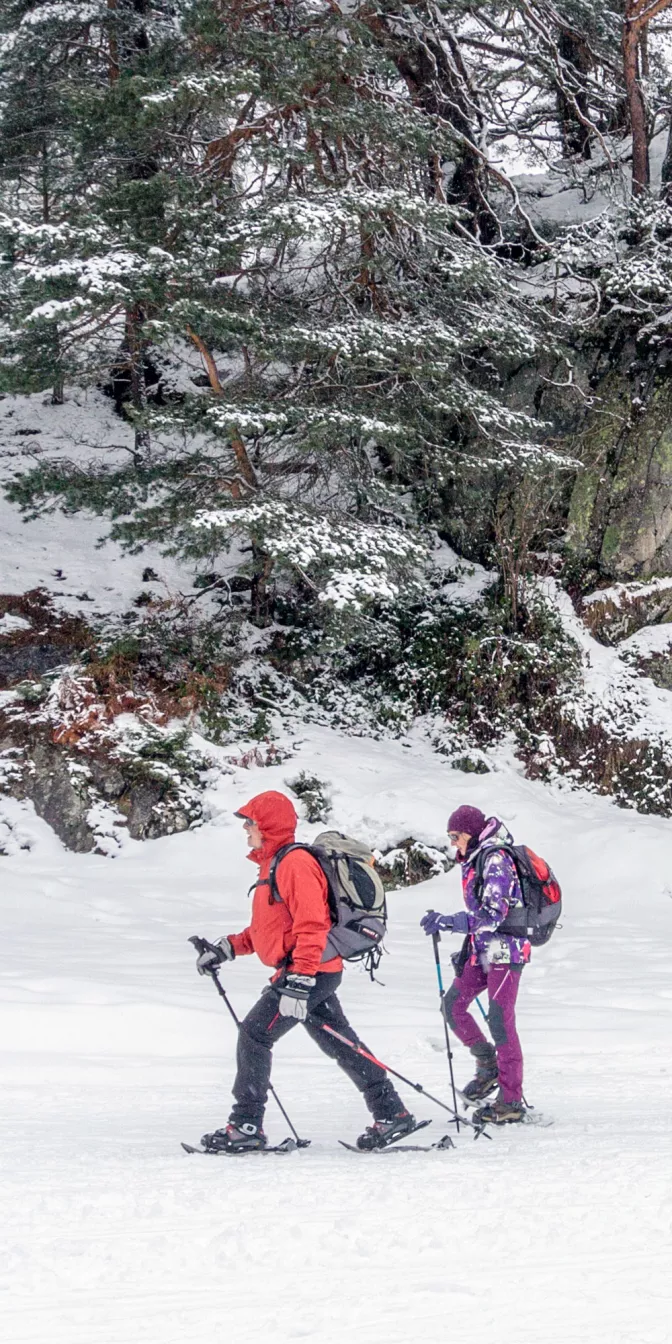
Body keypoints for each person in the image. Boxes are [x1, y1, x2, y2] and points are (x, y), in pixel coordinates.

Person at [193, 789, 415, 1151]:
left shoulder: (295, 863)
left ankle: (246, 1126)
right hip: (309, 972)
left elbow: (313, 925)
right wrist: (227, 948)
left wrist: (299, 980)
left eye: (250, 822)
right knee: (341, 1043)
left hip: (308, 973)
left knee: (255, 1035)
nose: (245, 829)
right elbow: (271, 930)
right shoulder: (273, 866)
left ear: (267, 825)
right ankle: (392, 1114)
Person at [420, 804, 529, 1125]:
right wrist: (466, 946)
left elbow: (494, 913)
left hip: (505, 949)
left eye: (456, 836)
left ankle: (510, 1101)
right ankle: (488, 1065)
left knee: (499, 1020)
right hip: (483, 948)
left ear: (472, 832)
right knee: (453, 1006)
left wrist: (449, 921)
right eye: (450, 836)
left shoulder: (496, 858)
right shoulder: (476, 859)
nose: (453, 842)